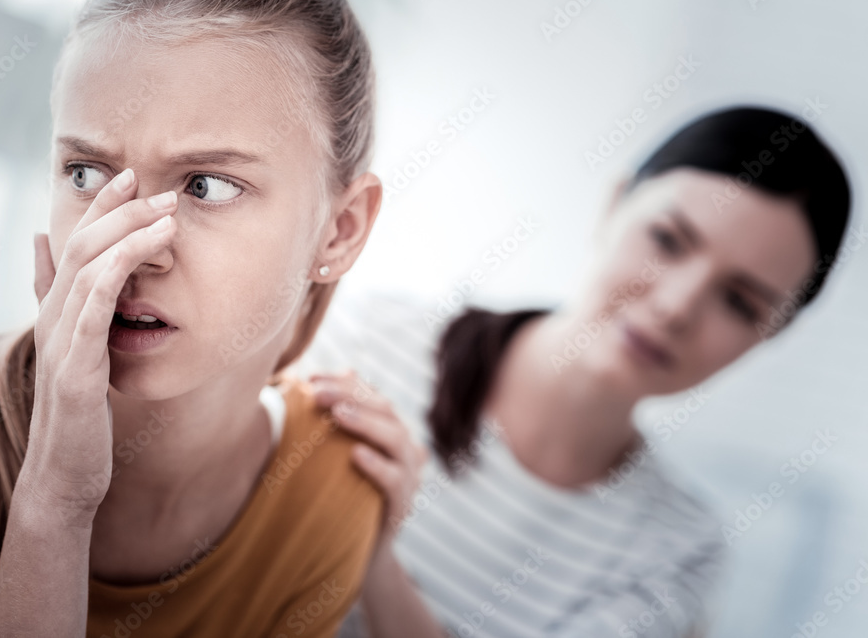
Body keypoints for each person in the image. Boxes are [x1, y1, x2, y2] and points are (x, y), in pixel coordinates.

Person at [0, 0, 391, 635]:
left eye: (205, 186)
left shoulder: (330, 488)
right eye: (86, 174)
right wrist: (56, 502)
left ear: (340, 229)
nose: (135, 249)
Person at [304, 106, 853, 637]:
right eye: (667, 240)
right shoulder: (360, 339)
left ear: (769, 334)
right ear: (614, 206)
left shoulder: (676, 556)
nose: (676, 307)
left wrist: (372, 555)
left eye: (738, 302)